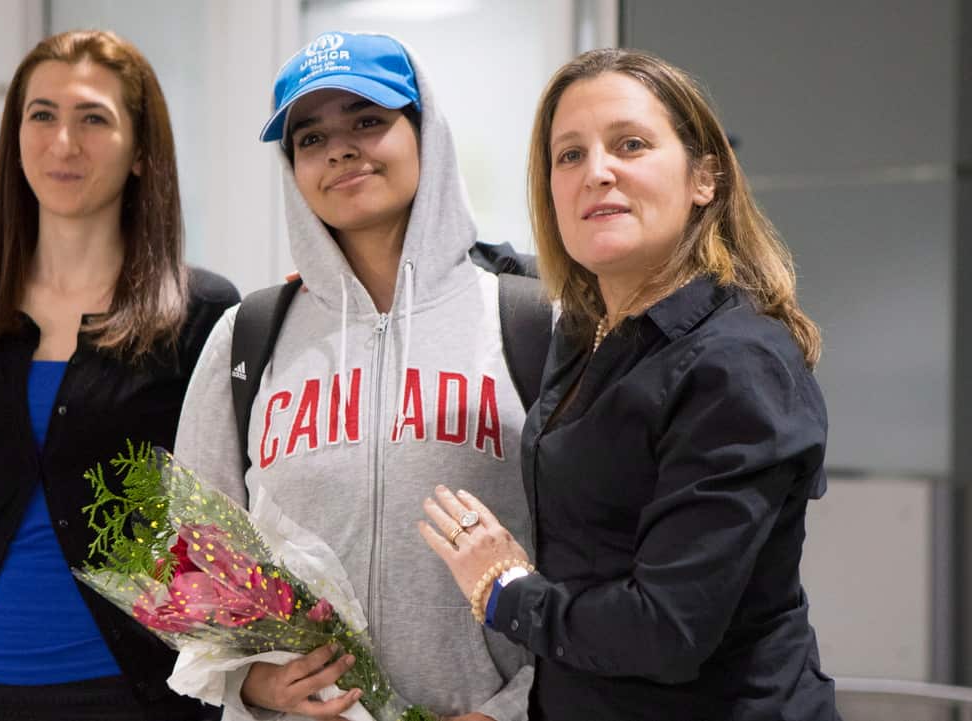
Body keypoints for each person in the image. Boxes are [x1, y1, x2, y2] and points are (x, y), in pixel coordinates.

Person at [419, 48, 839, 721]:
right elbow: (494, 258)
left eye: (631, 145)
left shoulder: (736, 366)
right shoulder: (591, 326)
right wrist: (368, 267)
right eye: (570, 156)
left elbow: (666, 630)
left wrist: (503, 591)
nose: (598, 173)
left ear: (705, 178)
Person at [173, 31, 537, 721]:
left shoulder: (526, 322)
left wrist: (512, 709)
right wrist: (247, 682)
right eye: (310, 138)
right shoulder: (248, 337)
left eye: (369, 120)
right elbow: (195, 558)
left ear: (425, 131)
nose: (339, 149)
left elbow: (591, 562)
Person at [0, 30, 239, 721]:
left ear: (142, 152)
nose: (63, 142)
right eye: (41, 115)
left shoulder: (202, 313)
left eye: (93, 119)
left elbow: (216, 534)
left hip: (134, 692)